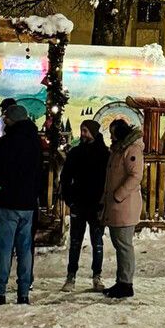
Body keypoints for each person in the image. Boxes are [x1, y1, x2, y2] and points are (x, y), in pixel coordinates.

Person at [0, 105, 43, 306]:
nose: (4, 121)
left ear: (13, 120)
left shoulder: (7, 142)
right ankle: (23, 293)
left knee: (4, 248)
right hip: (28, 203)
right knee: (25, 249)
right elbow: (38, 173)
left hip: (8, 202)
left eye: (6, 118)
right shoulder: (35, 142)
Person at [60, 119, 109, 292]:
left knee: (97, 243)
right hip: (79, 204)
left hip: (96, 205)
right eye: (81, 130)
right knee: (75, 242)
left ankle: (97, 276)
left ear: (94, 133)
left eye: (86, 131)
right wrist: (69, 198)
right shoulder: (75, 153)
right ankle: (71, 276)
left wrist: (104, 201)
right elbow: (65, 177)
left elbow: (108, 180)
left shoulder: (104, 154)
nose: (83, 134)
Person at [102, 118, 145, 299]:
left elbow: (135, 175)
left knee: (124, 245)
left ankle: (126, 283)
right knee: (120, 244)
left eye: (112, 133)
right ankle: (122, 281)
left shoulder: (131, 150)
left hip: (124, 204)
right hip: (117, 204)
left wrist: (119, 194)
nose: (110, 137)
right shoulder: (119, 150)